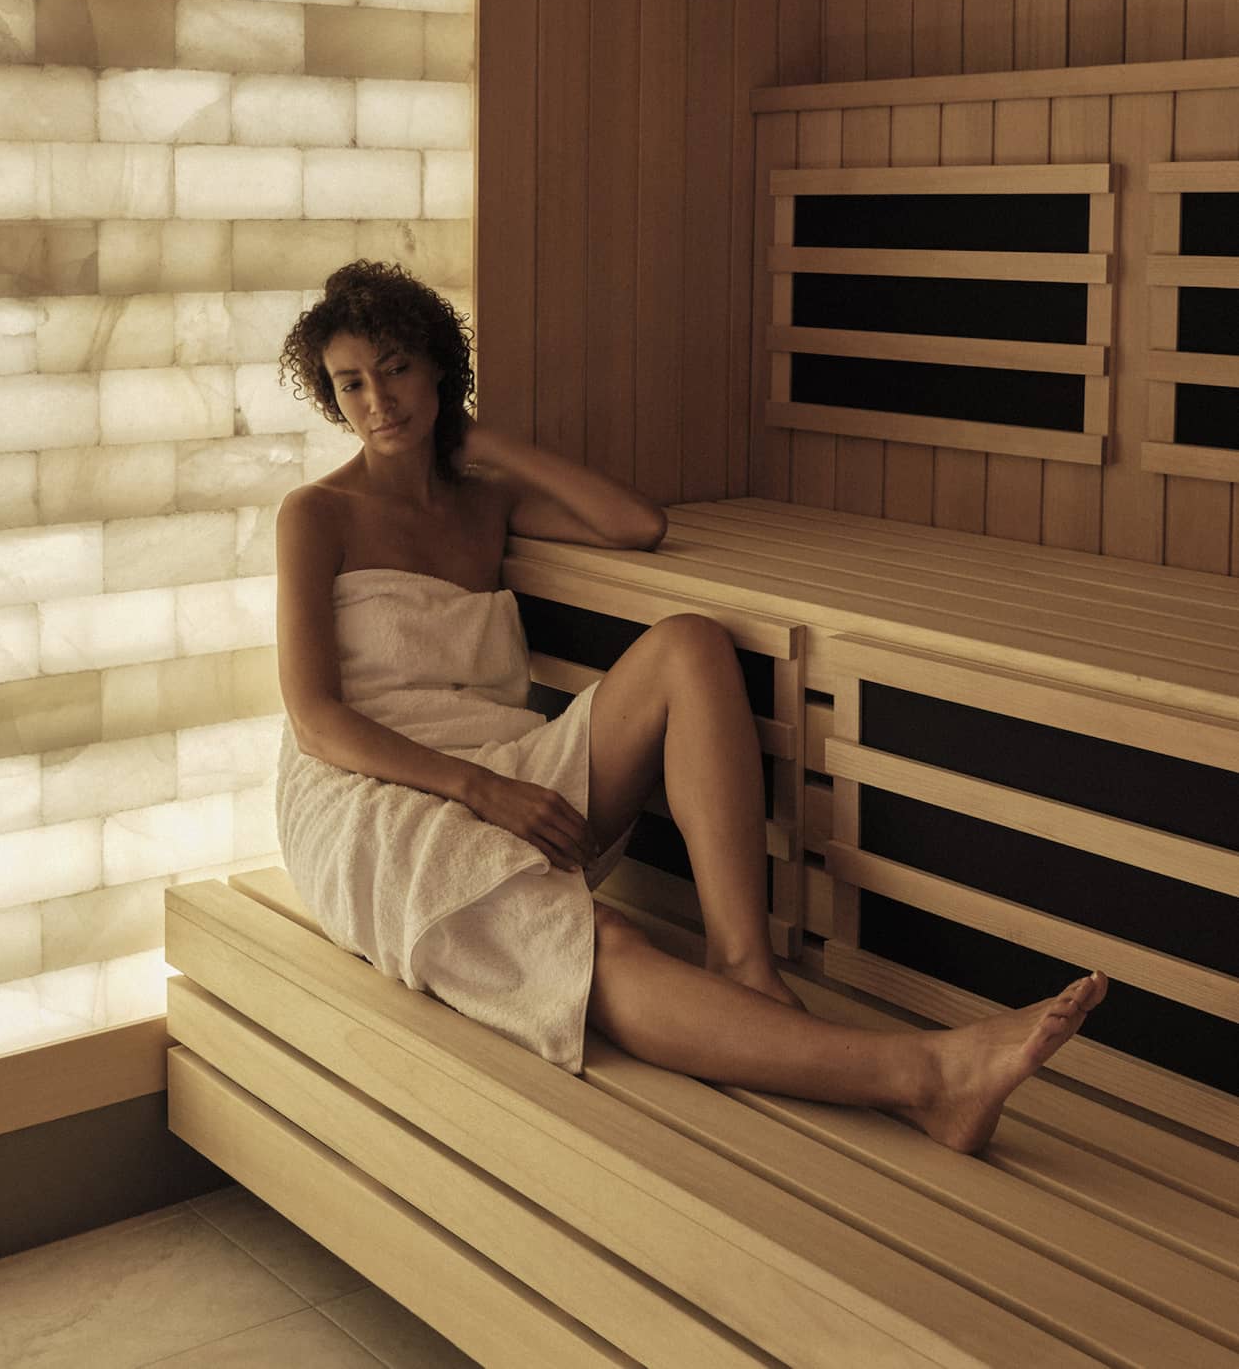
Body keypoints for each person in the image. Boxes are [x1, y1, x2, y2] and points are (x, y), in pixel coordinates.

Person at [272, 259, 1106, 1154]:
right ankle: (927, 1078)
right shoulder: (315, 514)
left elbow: (637, 524)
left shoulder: (483, 503)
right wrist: (479, 791)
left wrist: (487, 442)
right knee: (604, 940)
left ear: (437, 365)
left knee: (690, 643)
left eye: (396, 367)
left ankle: (743, 958)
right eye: (349, 383)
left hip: (505, 761)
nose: (376, 401)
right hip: (375, 797)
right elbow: (316, 718)